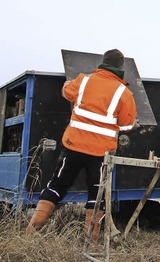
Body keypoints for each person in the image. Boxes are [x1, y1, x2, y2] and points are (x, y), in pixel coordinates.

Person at [26, 49, 139, 243]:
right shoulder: (124, 93)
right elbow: (127, 125)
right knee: (96, 194)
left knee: (57, 186)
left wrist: (67, 85)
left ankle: (31, 232)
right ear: (121, 67)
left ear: (104, 62)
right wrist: (133, 124)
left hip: (73, 146)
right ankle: (91, 241)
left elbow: (66, 92)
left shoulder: (84, 80)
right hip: (101, 153)